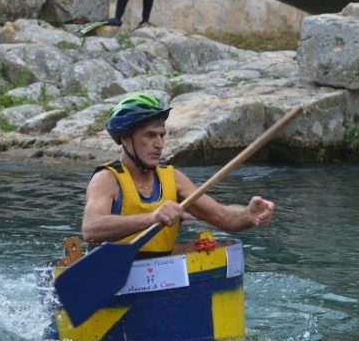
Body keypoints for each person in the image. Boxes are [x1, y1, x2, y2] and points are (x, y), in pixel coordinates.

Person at [81, 93, 275, 255]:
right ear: (125, 139)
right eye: (150, 135)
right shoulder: (107, 178)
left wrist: (248, 215)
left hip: (164, 274)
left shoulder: (173, 178)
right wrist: (152, 218)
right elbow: (91, 228)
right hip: (112, 276)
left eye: (161, 135)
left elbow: (223, 216)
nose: (159, 144)